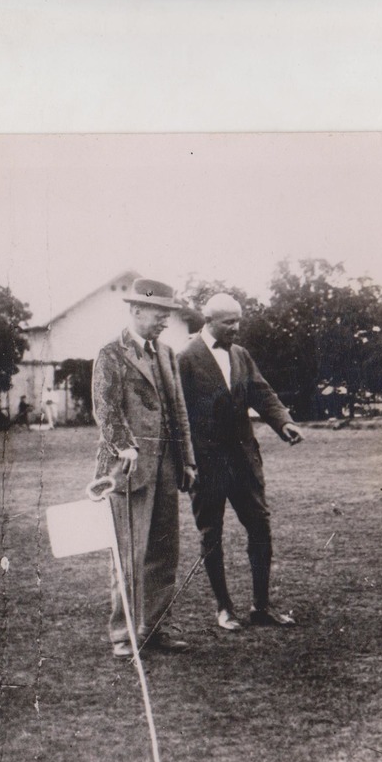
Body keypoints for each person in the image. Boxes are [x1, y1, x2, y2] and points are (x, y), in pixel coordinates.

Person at [176, 293, 304, 631]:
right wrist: (186, 461)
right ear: (209, 321)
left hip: (245, 461)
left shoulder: (241, 355)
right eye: (228, 322)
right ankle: (224, 608)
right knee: (211, 533)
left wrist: (284, 422)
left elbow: (262, 393)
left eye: (238, 321)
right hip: (207, 465)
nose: (236, 328)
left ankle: (262, 606)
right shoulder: (185, 359)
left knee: (260, 526)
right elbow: (178, 416)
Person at [91, 277, 198, 657]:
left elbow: (178, 409)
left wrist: (187, 459)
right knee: (128, 554)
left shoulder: (167, 353)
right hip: (129, 469)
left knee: (164, 553)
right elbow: (106, 408)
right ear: (136, 310)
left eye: (168, 314)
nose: (165, 321)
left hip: (168, 468)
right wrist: (124, 445)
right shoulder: (111, 354)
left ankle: (156, 627)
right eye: (159, 313)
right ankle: (123, 635)